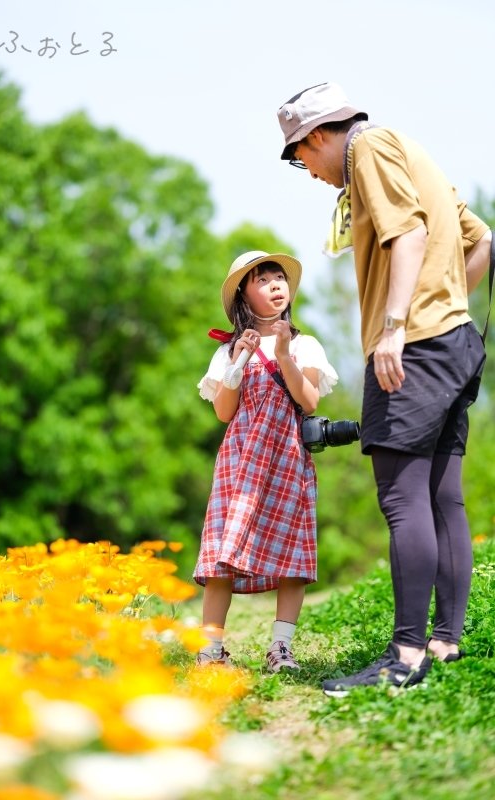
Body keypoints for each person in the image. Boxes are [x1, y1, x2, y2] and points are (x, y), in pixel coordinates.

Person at [276, 81, 492, 695]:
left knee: (403, 500)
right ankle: (444, 643)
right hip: (452, 342)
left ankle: (405, 656)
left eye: (300, 159)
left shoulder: (367, 150)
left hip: (415, 348)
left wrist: (399, 325)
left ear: (318, 136)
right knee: (443, 498)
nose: (309, 172)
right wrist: (448, 309)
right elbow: (482, 240)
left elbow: (409, 236)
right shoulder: (407, 149)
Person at [193, 250, 338, 672]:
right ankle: (210, 650)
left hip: (288, 457)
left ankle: (280, 649)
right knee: (221, 558)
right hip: (240, 461)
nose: (276, 285)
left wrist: (285, 355)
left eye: (279, 277)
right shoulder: (227, 350)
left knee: (293, 558)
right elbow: (223, 411)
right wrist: (239, 358)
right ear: (244, 295)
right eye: (263, 280)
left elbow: (308, 401)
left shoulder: (304, 343)